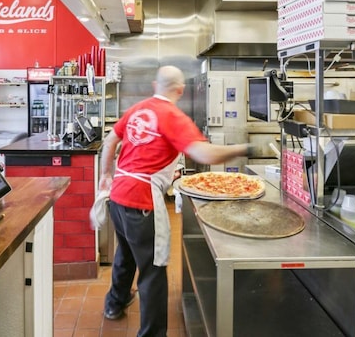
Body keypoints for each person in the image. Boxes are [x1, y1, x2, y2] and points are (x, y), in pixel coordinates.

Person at [98, 65, 258, 337]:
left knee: (125, 254)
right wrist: (245, 148)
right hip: (142, 202)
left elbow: (110, 140)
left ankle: (115, 304)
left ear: (154, 85)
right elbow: (204, 154)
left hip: (117, 196)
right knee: (152, 271)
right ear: (180, 91)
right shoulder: (173, 116)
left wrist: (105, 175)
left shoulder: (139, 109)